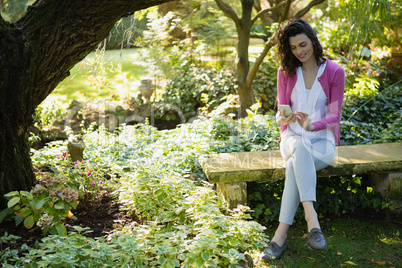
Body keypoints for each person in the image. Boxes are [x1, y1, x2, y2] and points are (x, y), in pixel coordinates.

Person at [262, 18, 345, 261]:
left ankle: (280, 237)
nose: (299, 51)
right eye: (294, 47)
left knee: (293, 165)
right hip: (291, 139)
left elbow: (334, 115)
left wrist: (311, 125)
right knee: (297, 148)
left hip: (322, 142)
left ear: (313, 40)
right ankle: (312, 219)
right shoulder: (285, 72)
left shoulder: (334, 72)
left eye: (303, 44)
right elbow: (282, 109)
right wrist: (283, 117)